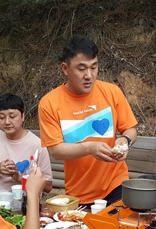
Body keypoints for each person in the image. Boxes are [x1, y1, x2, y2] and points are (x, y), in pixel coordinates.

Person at [38, 35, 138, 205]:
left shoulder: (112, 92)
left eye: (94, 67)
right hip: (79, 193)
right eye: (81, 68)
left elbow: (130, 128)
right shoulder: (49, 103)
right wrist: (89, 148)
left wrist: (125, 140)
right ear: (65, 68)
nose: (89, 76)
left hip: (116, 183)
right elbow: (55, 150)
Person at [0, 93, 53, 193]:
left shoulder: (37, 144)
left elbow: (48, 186)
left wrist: (19, 178)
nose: (7, 122)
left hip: (25, 203)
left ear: (22, 116)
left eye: (12, 116)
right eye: (2, 117)